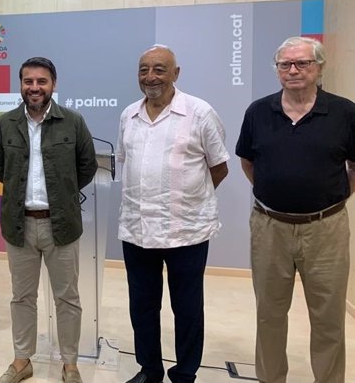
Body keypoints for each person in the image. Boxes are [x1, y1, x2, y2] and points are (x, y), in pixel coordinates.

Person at [236, 36, 355, 383]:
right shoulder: (259, 111)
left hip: (327, 229)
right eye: (285, 64)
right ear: (276, 70)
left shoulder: (345, 112)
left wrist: (329, 200)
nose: (293, 70)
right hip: (269, 226)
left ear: (319, 68)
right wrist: (277, 194)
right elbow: (248, 162)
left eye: (302, 63)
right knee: (269, 316)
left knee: (329, 319)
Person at [117, 45, 229, 383]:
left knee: (188, 309)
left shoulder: (200, 112)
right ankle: (149, 370)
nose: (150, 77)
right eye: (143, 69)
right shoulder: (128, 115)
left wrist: (187, 200)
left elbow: (219, 167)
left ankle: (185, 374)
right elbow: (126, 164)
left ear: (176, 73)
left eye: (159, 69)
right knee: (143, 306)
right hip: (137, 230)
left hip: (186, 232)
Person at [0, 57, 98, 383]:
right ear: (20, 85)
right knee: (22, 297)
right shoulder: (6, 124)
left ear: (53, 84)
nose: (34, 87)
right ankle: (22, 361)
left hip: (61, 224)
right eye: (28, 81)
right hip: (18, 225)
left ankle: (70, 364)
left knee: (67, 298)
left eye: (41, 81)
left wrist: (62, 194)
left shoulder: (73, 122)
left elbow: (87, 167)